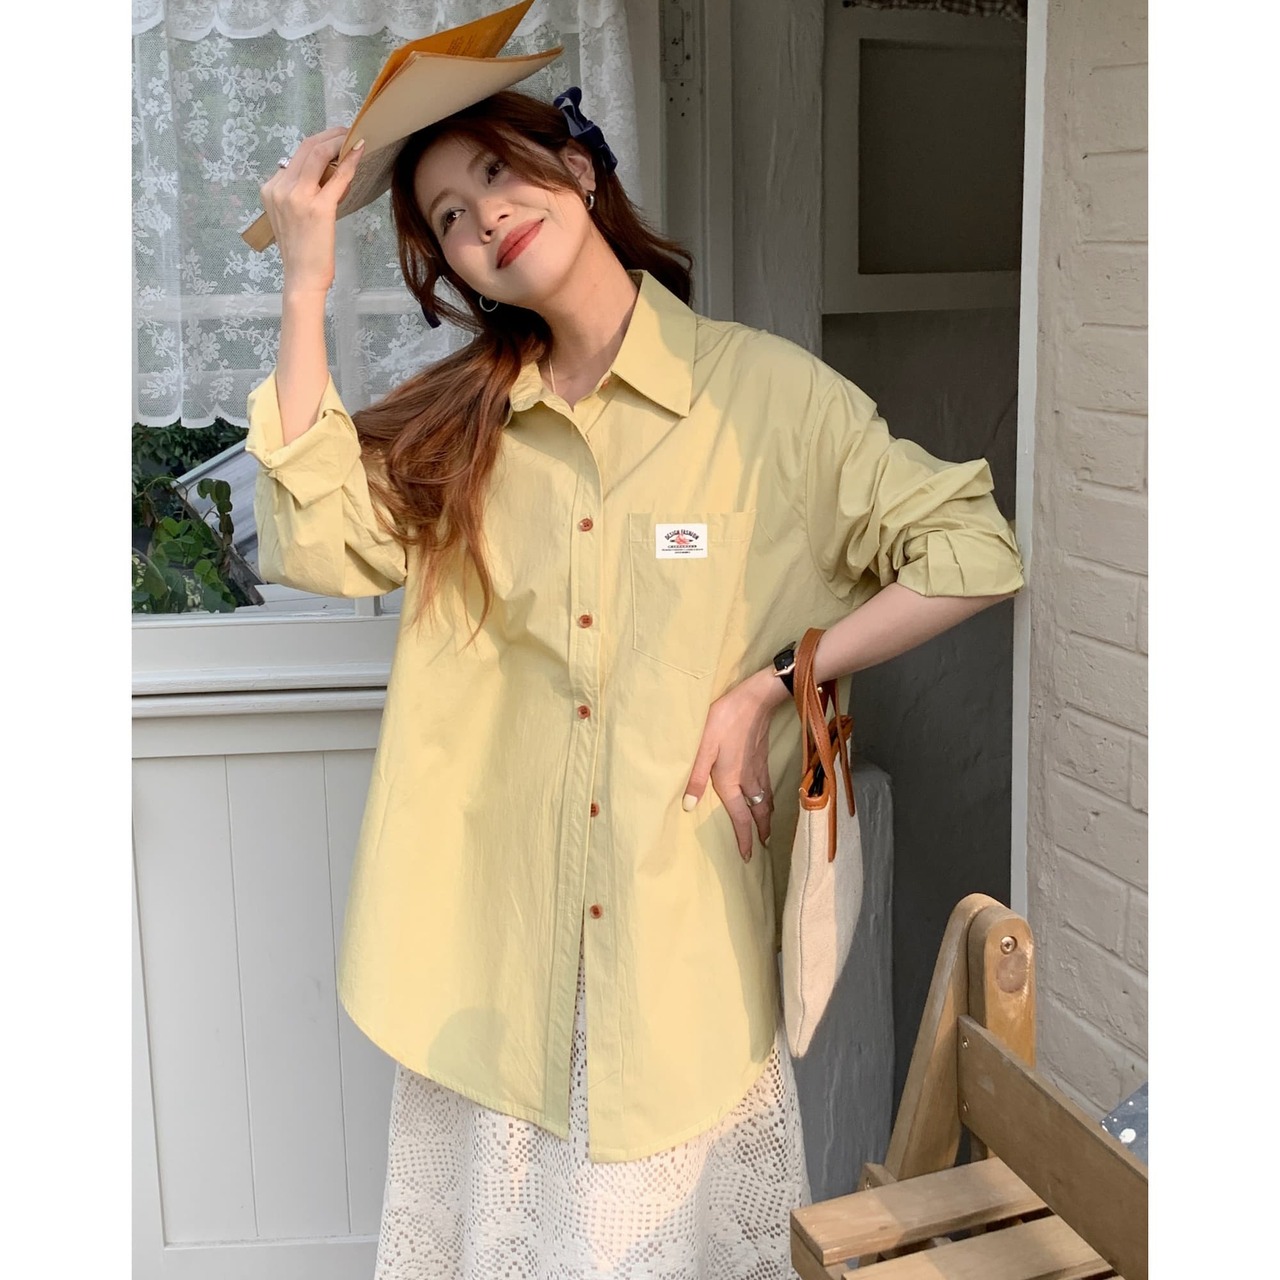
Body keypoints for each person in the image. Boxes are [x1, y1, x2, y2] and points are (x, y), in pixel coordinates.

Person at [247, 87, 1024, 1280]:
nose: (481, 217)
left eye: (497, 174)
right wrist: (304, 283)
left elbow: (972, 551)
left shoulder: (766, 400)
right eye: (448, 217)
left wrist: (774, 681)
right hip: (488, 957)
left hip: (674, 963)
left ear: (579, 168)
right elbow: (315, 540)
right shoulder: (467, 428)